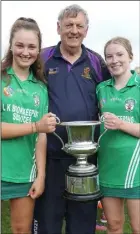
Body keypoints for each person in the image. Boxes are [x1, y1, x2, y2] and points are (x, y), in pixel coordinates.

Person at [32, 4, 110, 234]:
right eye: (68, 25)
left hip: (87, 160)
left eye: (79, 26)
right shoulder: (42, 58)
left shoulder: (97, 62)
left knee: (82, 226)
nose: (74, 30)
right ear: (58, 28)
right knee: (48, 224)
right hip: (51, 158)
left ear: (86, 30)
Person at [1, 17, 57, 234]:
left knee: (21, 230)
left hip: (25, 172)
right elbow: (37, 128)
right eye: (20, 45)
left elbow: (41, 136)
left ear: (38, 50)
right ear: (11, 46)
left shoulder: (41, 88)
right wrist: (35, 126)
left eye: (32, 46)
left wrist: (40, 175)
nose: (26, 52)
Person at [96, 37, 140, 234]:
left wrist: (121, 124)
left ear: (130, 56)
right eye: (109, 56)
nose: (114, 60)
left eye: (120, 54)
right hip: (107, 166)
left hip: (134, 168)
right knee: (114, 226)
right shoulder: (101, 89)